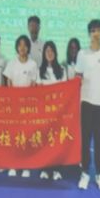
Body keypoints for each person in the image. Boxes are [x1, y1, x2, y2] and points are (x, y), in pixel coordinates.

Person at [74, 22, 100, 191]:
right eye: (92, 31)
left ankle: (99, 174)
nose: (95, 33)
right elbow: (77, 77)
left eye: (98, 30)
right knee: (84, 140)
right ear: (89, 34)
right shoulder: (82, 54)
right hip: (85, 102)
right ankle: (84, 172)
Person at [2, 35, 39, 179]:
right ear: (17, 47)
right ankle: (13, 164)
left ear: (28, 47)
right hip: (14, 105)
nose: (22, 48)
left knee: (26, 135)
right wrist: (13, 100)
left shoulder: (33, 64)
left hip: (28, 106)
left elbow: (34, 84)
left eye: (25, 45)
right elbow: (8, 82)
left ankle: (26, 165)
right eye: (20, 45)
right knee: (14, 134)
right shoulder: (12, 63)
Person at [35, 39, 69, 182]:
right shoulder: (40, 70)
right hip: (44, 112)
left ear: (55, 53)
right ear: (44, 53)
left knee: (56, 141)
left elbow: (65, 91)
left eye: (51, 51)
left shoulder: (62, 70)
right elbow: (38, 91)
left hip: (58, 112)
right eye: (47, 51)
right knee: (44, 141)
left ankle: (56, 169)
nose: (49, 53)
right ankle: (44, 168)